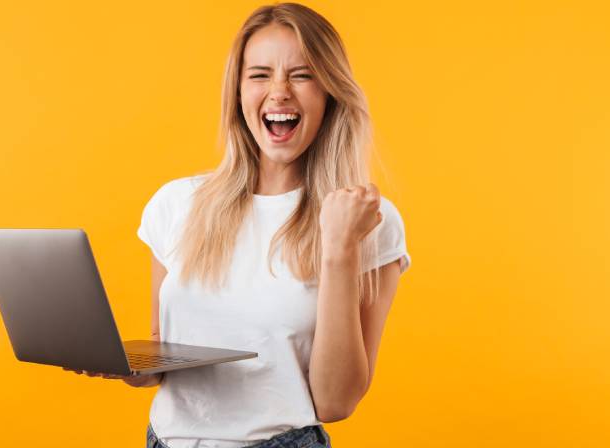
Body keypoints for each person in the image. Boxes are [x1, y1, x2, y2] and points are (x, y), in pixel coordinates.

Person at [65, 3, 411, 447]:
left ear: (330, 92)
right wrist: (126, 366)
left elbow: (335, 402)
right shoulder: (177, 204)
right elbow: (163, 347)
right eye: (260, 74)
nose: (279, 92)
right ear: (238, 92)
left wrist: (339, 248)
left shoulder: (367, 220)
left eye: (302, 75)